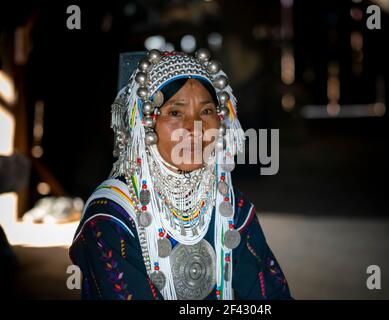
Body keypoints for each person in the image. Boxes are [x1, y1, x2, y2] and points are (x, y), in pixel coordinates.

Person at [69, 49, 291, 300]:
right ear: (145, 123)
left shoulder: (231, 207)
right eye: (175, 112)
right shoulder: (112, 215)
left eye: (207, 111)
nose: (195, 127)